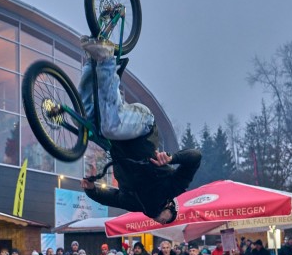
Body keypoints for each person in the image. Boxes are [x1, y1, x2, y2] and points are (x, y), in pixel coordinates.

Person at [77, 38, 201, 225]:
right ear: (170, 205)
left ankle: (90, 63)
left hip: (117, 140)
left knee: (82, 119)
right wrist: (171, 158)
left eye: (158, 220)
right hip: (143, 127)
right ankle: (106, 57)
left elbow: (110, 198)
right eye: (165, 217)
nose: (159, 218)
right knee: (111, 126)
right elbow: (195, 157)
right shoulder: (172, 188)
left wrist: (91, 189)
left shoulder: (133, 203)